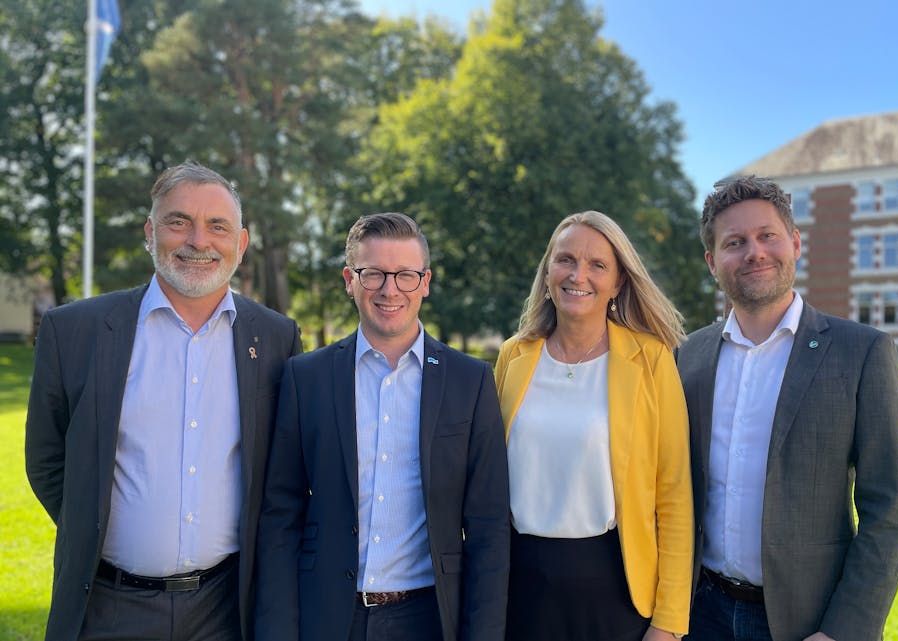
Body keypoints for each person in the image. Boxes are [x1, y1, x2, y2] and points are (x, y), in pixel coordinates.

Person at [25, 160, 303, 641]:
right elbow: (48, 461)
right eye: (179, 222)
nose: (199, 240)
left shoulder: (276, 337)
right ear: (150, 233)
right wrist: (95, 525)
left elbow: (284, 472)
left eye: (218, 226)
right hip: (108, 606)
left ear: (240, 243)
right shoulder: (75, 331)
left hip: (227, 608)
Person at [676, 175, 898, 641]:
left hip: (807, 622)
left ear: (795, 242)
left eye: (768, 235)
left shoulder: (861, 352)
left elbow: (891, 508)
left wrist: (843, 631)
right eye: (734, 242)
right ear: (712, 261)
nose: (755, 252)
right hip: (699, 613)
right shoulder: (688, 356)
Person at [254, 212, 510, 641]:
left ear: (425, 282)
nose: (390, 290)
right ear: (349, 280)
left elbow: (488, 526)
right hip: (328, 618)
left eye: (406, 275)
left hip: (428, 618)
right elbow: (280, 516)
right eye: (373, 274)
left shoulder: (470, 381)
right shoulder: (306, 377)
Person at [494, 211, 694, 641]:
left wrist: (669, 622)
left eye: (597, 265)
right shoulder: (513, 356)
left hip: (614, 588)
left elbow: (674, 495)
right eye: (565, 259)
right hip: (519, 588)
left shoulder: (651, 360)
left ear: (618, 282)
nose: (577, 275)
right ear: (548, 272)